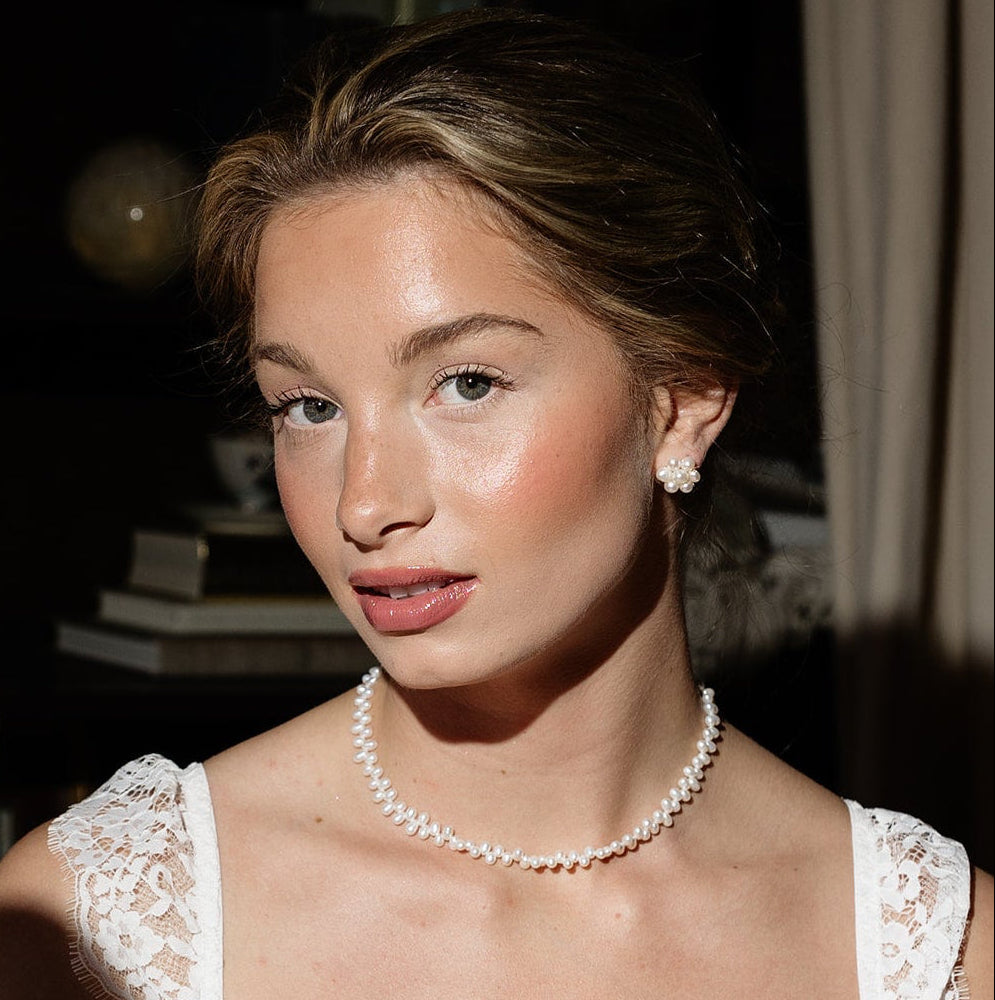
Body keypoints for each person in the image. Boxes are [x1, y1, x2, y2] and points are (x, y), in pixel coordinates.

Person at [0, 8, 991, 999]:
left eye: (467, 383)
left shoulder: (927, 952)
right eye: (309, 406)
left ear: (683, 400)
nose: (364, 505)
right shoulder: (94, 923)